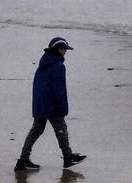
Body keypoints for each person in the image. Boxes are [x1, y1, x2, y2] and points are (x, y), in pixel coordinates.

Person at [14, 37, 87, 171]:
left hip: (41, 103)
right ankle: (68, 157)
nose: (65, 52)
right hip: (52, 105)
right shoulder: (58, 66)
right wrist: (62, 108)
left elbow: (39, 85)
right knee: (61, 130)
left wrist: (38, 104)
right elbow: (59, 89)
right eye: (64, 49)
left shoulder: (44, 63)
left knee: (36, 130)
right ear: (58, 49)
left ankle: (23, 159)